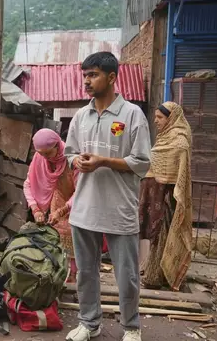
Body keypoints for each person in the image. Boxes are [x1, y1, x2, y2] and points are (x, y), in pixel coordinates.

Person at [64, 52, 151, 341]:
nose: (86, 81)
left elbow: (141, 162)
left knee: (126, 276)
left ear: (112, 77)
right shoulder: (80, 116)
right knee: (86, 272)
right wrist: (77, 161)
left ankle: (131, 327)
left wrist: (104, 161)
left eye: (93, 75)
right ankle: (89, 323)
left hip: (119, 208)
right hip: (84, 208)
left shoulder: (131, 115)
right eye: (85, 75)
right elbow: (70, 153)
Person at [139, 102, 193, 290]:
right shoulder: (163, 138)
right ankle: (154, 273)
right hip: (154, 198)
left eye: (160, 117)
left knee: (162, 236)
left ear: (171, 118)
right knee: (153, 237)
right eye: (155, 117)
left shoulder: (180, 142)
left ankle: (157, 277)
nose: (155, 121)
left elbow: (181, 177)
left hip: (167, 200)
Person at [23, 128, 78, 282]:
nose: (44, 157)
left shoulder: (72, 158)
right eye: (41, 153)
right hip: (58, 196)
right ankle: (59, 275)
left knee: (75, 237)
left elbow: (81, 190)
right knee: (57, 237)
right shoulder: (39, 158)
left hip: (78, 201)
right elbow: (28, 184)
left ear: (57, 146)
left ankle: (74, 276)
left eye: (47, 153)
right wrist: (36, 209)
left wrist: (63, 210)